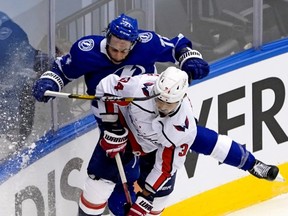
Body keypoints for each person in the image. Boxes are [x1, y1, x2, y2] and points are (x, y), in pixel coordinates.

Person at [79, 66, 283, 216]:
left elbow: (166, 166)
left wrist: (147, 194)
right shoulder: (139, 88)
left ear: (181, 97)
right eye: (158, 99)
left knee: (152, 207)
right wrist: (111, 125)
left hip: (157, 148)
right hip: (126, 137)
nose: (161, 106)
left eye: (168, 104)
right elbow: (107, 87)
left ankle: (253, 164)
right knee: (98, 190)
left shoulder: (182, 126)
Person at [0, 11, 51, 160]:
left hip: (16, 98)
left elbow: (26, 52)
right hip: (12, 100)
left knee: (17, 138)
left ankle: (18, 145)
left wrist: (48, 65)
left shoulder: (9, 30)